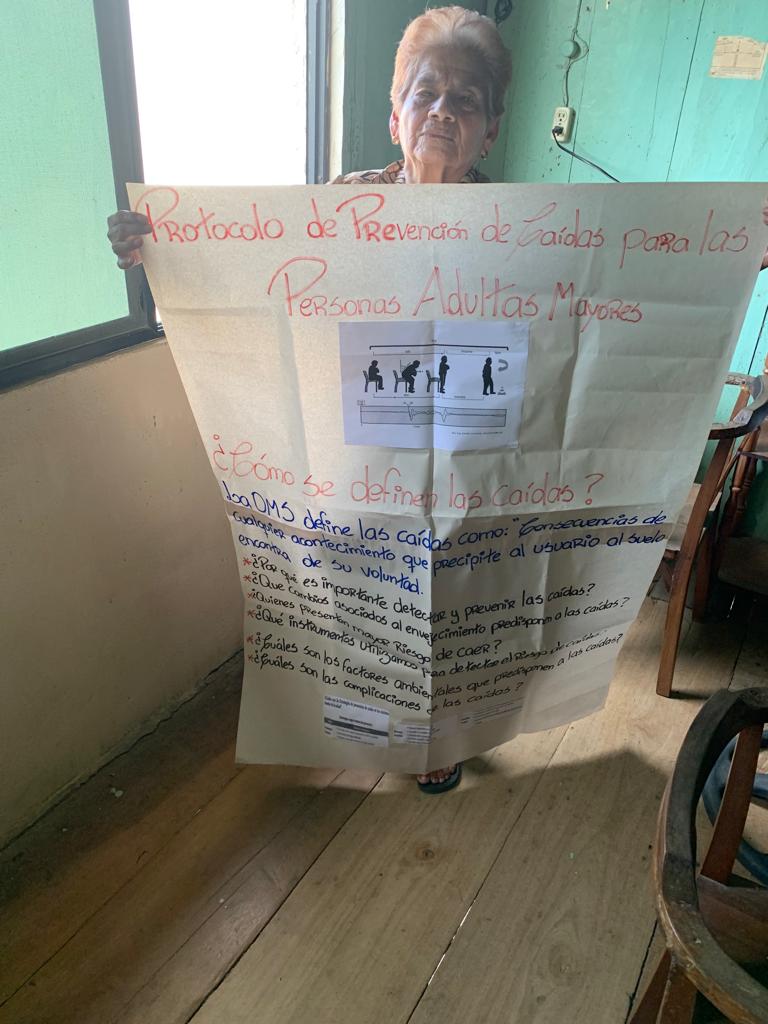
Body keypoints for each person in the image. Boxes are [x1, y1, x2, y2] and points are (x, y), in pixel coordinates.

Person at [106, 7, 768, 794]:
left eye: (466, 100)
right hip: (361, 440)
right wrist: (161, 248)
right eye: (425, 94)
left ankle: (444, 735)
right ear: (395, 116)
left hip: (476, 446)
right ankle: (365, 721)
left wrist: (737, 251)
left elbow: (631, 292)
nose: (443, 112)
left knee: (458, 591)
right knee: (364, 586)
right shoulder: (339, 205)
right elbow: (260, 285)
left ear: (490, 130)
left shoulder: (528, 223)